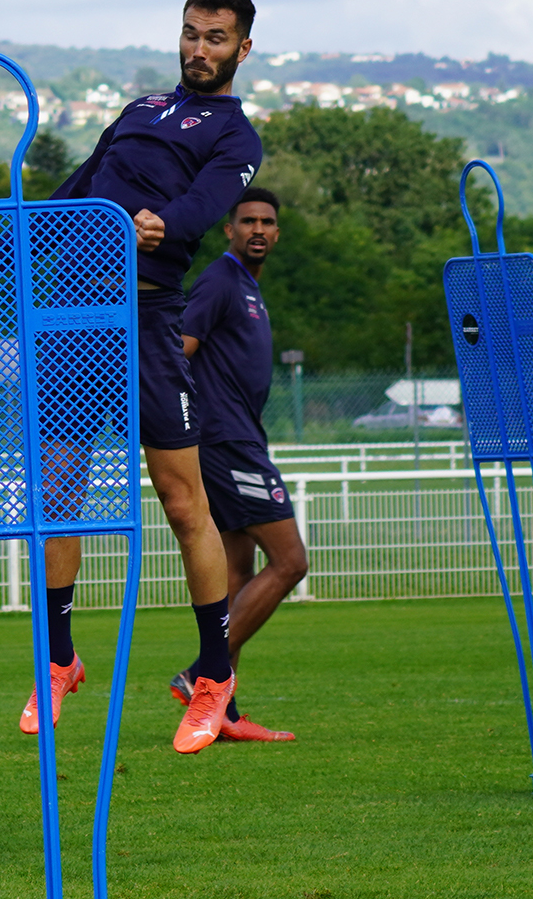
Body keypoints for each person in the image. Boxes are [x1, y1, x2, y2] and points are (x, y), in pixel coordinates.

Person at [14, 0, 263, 754]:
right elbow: (74, 192)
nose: (198, 48)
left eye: (215, 37)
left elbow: (203, 206)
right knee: (55, 498)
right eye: (190, 33)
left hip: (150, 318)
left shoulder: (236, 138)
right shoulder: (139, 112)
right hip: (72, 320)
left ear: (242, 49)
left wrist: (166, 224)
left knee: (184, 505)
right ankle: (59, 661)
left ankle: (214, 679)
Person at [169, 187, 307, 742]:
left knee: (235, 576)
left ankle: (220, 712)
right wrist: (182, 422)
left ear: (276, 233)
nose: (257, 229)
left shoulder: (248, 287)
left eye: (267, 222)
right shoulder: (222, 280)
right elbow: (179, 348)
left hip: (236, 440)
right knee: (291, 561)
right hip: (227, 444)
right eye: (246, 219)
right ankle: (204, 674)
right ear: (228, 229)